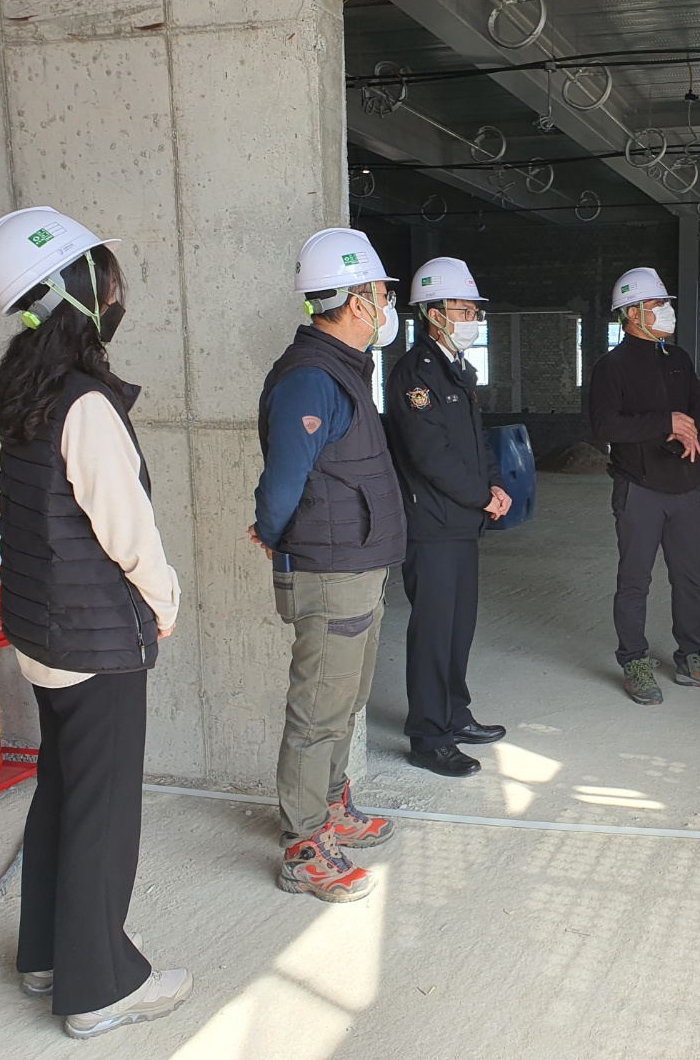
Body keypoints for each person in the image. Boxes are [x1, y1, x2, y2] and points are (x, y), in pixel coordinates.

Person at [0, 206, 192, 1039]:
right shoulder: (84, 404)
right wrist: (164, 602)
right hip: (94, 639)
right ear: (73, 290)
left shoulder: (24, 389)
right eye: (104, 276)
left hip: (41, 633)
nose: (115, 291)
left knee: (63, 793)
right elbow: (125, 528)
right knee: (102, 812)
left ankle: (44, 955)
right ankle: (99, 986)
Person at [250, 228, 404, 902]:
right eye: (382, 295)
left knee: (346, 701)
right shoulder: (311, 378)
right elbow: (284, 479)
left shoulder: (343, 368)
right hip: (332, 571)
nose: (387, 306)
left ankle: (331, 807)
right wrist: (269, 529)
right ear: (358, 300)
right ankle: (304, 844)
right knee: (318, 710)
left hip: (358, 564)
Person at [385, 257, 510, 778]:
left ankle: (455, 714)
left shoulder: (457, 370)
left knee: (459, 628)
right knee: (434, 632)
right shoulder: (415, 374)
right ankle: (428, 735)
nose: (472, 319)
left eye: (473, 311)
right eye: (463, 309)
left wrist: (494, 484)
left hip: (461, 524)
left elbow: (475, 442)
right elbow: (430, 455)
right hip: (432, 527)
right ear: (433, 314)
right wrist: (481, 495)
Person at [588, 266, 700, 706]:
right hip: (640, 489)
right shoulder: (611, 367)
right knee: (635, 580)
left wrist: (686, 430)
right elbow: (605, 425)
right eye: (658, 304)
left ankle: (692, 656)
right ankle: (634, 660)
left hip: (685, 485)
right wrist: (665, 423)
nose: (667, 311)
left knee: (690, 578)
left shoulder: (678, 359)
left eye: (665, 304)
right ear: (632, 313)